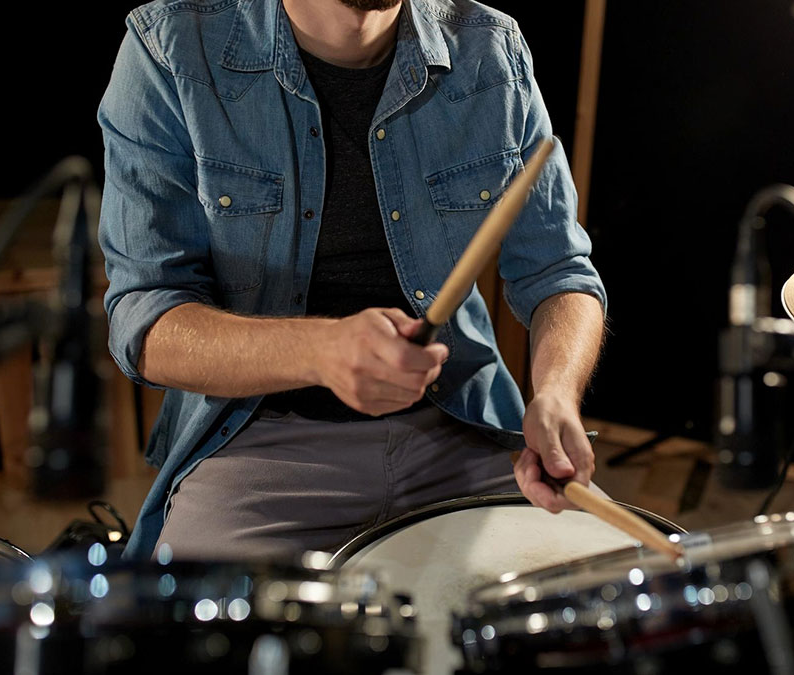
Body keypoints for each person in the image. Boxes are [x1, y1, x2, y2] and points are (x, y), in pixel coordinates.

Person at [98, 0, 606, 561]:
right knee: (196, 632)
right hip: (260, 444)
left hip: (459, 424)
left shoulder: (490, 48)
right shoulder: (171, 47)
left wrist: (556, 394)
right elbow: (146, 322)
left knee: (596, 601)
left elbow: (559, 270)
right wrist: (320, 351)